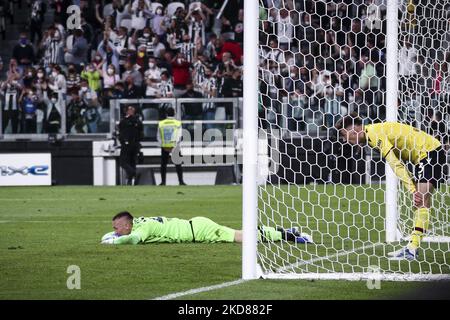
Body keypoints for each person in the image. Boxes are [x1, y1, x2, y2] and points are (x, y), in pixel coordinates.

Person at [335, 114, 447, 260]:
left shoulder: (375, 134)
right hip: (426, 154)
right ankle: (412, 247)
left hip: (428, 152)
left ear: (355, 128)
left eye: (344, 134)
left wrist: (413, 190)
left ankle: (412, 249)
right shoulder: (372, 134)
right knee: (422, 203)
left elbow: (395, 163)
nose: (345, 140)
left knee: (421, 202)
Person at [101, 211, 313, 245]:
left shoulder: (142, 228)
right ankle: (287, 231)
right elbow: (123, 235)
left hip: (200, 231)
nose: (115, 231)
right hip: (197, 226)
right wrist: (111, 236)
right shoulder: (138, 223)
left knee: (242, 237)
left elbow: (132, 240)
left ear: (128, 225)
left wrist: (113, 242)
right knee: (242, 233)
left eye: (118, 228)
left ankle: (289, 235)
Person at [157, 107, 185, 186]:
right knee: (178, 165)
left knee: (163, 165)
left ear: (166, 114)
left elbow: (158, 136)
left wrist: (163, 145)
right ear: (174, 113)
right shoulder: (177, 123)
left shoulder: (161, 123)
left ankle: (163, 182)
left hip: (164, 146)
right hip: (175, 146)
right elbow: (179, 136)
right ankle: (181, 181)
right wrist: (174, 146)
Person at [118, 105, 143, 185]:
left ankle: (133, 174)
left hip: (127, 144)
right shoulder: (138, 121)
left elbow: (121, 133)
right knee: (132, 162)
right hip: (135, 144)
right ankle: (130, 181)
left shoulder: (123, 121)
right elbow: (141, 133)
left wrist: (122, 141)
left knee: (123, 162)